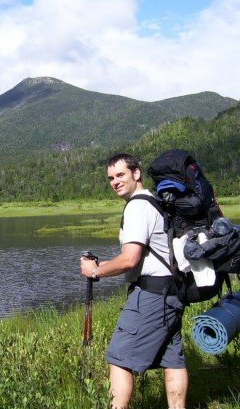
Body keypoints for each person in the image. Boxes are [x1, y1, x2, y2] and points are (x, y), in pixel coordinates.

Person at [80, 153, 188, 409]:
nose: (115, 182)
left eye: (120, 175)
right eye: (110, 178)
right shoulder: (155, 202)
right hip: (172, 294)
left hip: (150, 297)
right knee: (172, 359)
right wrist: (101, 265)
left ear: (136, 173)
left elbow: (130, 260)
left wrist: (95, 272)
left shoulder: (137, 206)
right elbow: (147, 258)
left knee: (119, 358)